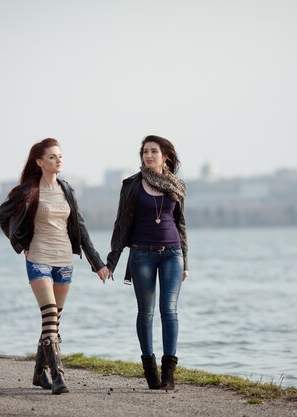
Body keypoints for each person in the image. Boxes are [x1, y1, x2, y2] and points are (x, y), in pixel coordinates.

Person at [0, 138, 109, 395]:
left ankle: (38, 372)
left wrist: (97, 263)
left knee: (54, 321)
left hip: (64, 261)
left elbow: (79, 227)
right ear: (39, 162)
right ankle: (58, 374)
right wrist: (21, 243)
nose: (59, 160)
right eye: (52, 157)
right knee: (49, 315)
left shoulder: (66, 189)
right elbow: (2, 216)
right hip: (39, 258)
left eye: (60, 156)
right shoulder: (27, 191)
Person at [106, 135, 188, 390]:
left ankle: (169, 374)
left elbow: (180, 223)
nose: (148, 156)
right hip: (141, 254)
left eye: (153, 151)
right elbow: (121, 224)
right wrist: (112, 261)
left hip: (172, 253)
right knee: (146, 312)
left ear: (165, 156)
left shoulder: (176, 185)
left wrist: (186, 261)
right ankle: (150, 370)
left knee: (169, 310)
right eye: (144, 152)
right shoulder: (131, 185)